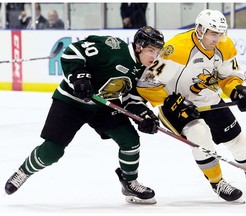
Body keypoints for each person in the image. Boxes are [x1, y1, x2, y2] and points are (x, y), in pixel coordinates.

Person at [4, 26, 164, 205]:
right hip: (71, 101)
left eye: (158, 52)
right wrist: (79, 77)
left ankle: (129, 182)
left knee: (130, 140)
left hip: (102, 104)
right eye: (151, 50)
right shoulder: (112, 47)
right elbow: (72, 51)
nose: (154, 56)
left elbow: (132, 99)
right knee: (52, 151)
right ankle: (23, 171)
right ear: (138, 46)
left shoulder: (146, 71)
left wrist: (144, 116)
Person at [136, 9, 246, 202]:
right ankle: (217, 182)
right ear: (200, 29)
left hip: (207, 99)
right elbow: (146, 84)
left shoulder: (225, 45)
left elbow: (229, 77)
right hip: (175, 105)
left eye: (220, 33)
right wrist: (171, 102)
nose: (217, 38)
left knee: (239, 141)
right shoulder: (177, 49)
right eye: (213, 33)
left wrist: (239, 91)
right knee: (201, 137)